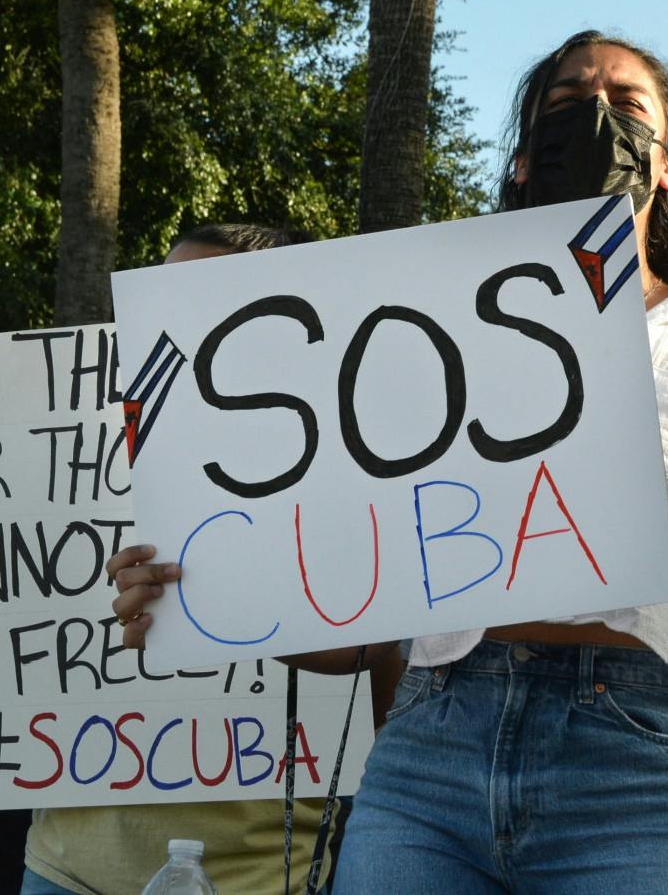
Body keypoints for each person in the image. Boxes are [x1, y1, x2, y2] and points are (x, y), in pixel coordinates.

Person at [113, 33, 668, 894]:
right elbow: (359, 625)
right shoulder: (423, 335)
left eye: (627, 103)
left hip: (639, 778)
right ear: (524, 162)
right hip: (429, 758)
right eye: (568, 103)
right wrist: (203, 591)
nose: (598, 116)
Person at [28, 223, 399, 895]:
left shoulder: (361, 474)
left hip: (259, 879)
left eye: (207, 299)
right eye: (162, 295)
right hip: (64, 869)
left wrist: (237, 610)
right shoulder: (71, 445)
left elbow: (388, 684)